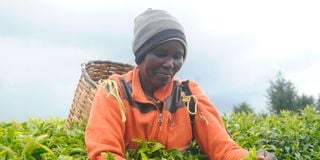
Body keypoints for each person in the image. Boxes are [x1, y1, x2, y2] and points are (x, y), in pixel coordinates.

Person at [85, 9, 277, 160]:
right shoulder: (114, 92)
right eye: (161, 53)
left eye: (177, 56)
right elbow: (104, 154)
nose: (170, 64)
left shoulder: (188, 95)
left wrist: (252, 157)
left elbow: (222, 148)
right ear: (141, 55)